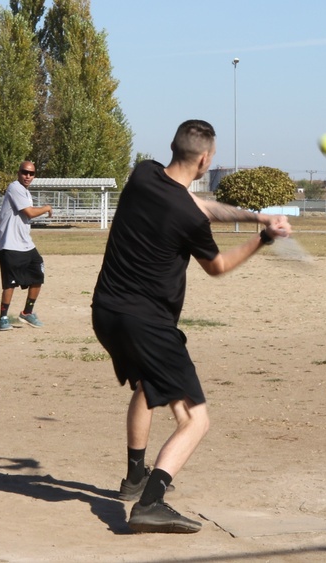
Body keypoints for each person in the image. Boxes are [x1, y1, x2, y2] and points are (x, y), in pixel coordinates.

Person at [91, 119, 291, 534]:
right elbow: (216, 267)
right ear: (205, 159)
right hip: (147, 323)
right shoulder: (189, 218)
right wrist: (263, 239)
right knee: (196, 420)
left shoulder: (143, 173)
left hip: (106, 312)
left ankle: (134, 478)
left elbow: (201, 207)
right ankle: (151, 502)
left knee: (149, 388)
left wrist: (256, 215)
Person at [0, 161, 52, 331]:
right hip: (11, 244)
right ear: (18, 173)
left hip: (25, 243)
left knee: (37, 274)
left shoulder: (25, 192)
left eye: (31, 173)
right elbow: (30, 212)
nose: (28, 176)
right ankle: (3, 318)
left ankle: (27, 312)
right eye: (24, 172)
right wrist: (47, 207)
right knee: (10, 283)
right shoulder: (15, 187)